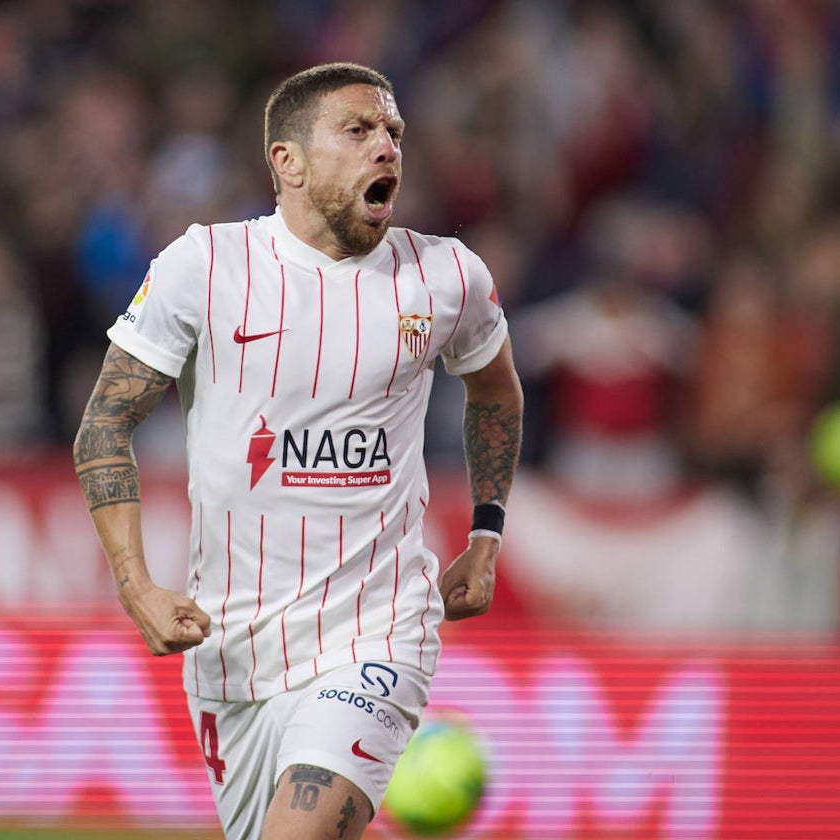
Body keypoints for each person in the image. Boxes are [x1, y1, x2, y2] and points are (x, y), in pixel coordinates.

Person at [73, 62, 523, 840]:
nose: (386, 147)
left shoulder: (448, 275)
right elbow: (103, 426)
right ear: (288, 162)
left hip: (377, 632)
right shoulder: (204, 266)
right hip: (230, 652)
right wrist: (136, 584)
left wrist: (486, 534)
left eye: (393, 133)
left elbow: (496, 392)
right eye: (358, 131)